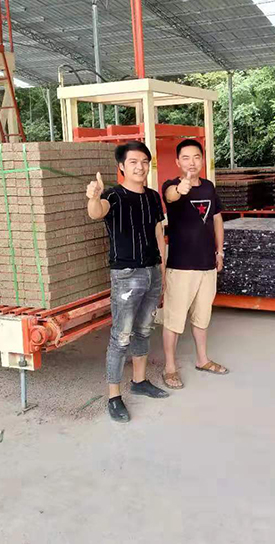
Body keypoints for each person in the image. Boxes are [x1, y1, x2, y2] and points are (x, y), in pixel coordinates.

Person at [86, 140, 169, 423]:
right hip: (126, 275)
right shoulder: (113, 196)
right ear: (121, 166)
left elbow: (159, 234)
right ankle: (113, 396)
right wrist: (94, 197)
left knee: (144, 330)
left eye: (144, 162)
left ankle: (140, 381)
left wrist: (163, 272)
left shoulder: (153, 197)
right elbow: (96, 212)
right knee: (121, 336)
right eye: (133, 162)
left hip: (152, 271)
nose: (140, 167)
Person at [160, 139, 229, 389]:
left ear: (203, 160)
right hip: (181, 267)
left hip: (207, 265)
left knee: (202, 317)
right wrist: (181, 189)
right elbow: (171, 195)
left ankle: (202, 359)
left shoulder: (209, 187)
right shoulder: (171, 186)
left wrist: (219, 253)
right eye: (186, 158)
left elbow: (217, 220)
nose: (192, 162)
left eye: (196, 157)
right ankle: (170, 368)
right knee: (174, 320)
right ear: (177, 162)